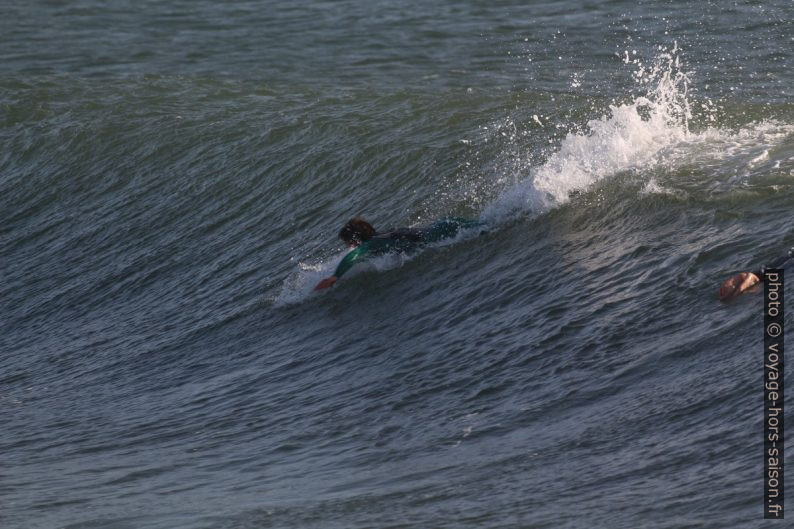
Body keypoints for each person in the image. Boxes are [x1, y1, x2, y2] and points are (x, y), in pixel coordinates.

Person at [315, 216, 485, 290]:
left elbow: (353, 256)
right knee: (488, 225)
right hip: (443, 225)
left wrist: (335, 277)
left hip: (441, 231)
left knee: (490, 228)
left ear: (356, 240)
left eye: (348, 242)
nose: (348, 246)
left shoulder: (371, 244)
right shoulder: (378, 237)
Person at [719, 246, 794, 300]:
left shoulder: (742, 279)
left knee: (788, 259)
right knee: (787, 259)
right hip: (765, 276)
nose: (722, 291)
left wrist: (737, 292)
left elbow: (751, 277)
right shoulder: (733, 284)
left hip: (765, 273)